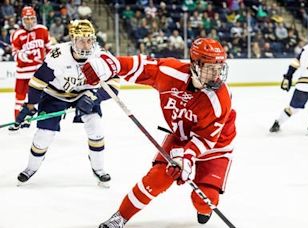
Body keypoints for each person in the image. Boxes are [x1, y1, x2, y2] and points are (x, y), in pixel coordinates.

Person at [81, 38, 237, 227]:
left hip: (215, 146)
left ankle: (204, 209)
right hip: (180, 137)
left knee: (204, 200)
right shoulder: (172, 73)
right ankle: (120, 217)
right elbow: (141, 66)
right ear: (195, 64)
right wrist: (110, 64)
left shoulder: (219, 99)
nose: (216, 75)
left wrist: (185, 158)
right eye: (211, 68)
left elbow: (204, 139)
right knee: (157, 178)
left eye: (219, 68)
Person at [12, 19, 120, 187]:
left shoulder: (100, 55)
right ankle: (30, 168)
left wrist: (94, 98)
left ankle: (99, 169)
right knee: (43, 135)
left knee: (96, 128)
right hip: (55, 95)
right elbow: (38, 81)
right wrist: (30, 105)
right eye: (81, 40)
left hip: (85, 95)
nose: (86, 45)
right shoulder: (58, 55)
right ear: (72, 39)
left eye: (89, 39)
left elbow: (114, 85)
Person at [9, 6, 51, 125]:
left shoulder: (42, 30)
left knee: (41, 97)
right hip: (23, 73)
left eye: (32, 18)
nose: (30, 21)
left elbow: (49, 49)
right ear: (22, 19)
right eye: (27, 19)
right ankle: (18, 121)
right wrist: (24, 55)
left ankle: (35, 119)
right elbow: (15, 54)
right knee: (19, 98)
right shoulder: (17, 34)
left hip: (38, 72)